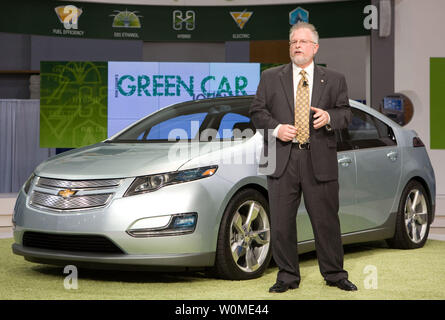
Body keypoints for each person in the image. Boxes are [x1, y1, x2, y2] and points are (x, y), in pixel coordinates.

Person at [249, 22, 357, 293]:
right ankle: (286, 277)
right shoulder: (270, 77)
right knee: (282, 222)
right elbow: (256, 113)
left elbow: (347, 113)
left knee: (326, 221)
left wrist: (330, 117)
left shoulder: (334, 79)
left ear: (315, 48)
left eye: (303, 42)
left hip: (318, 158)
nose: (297, 46)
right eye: (293, 42)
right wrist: (276, 128)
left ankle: (334, 274)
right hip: (282, 159)